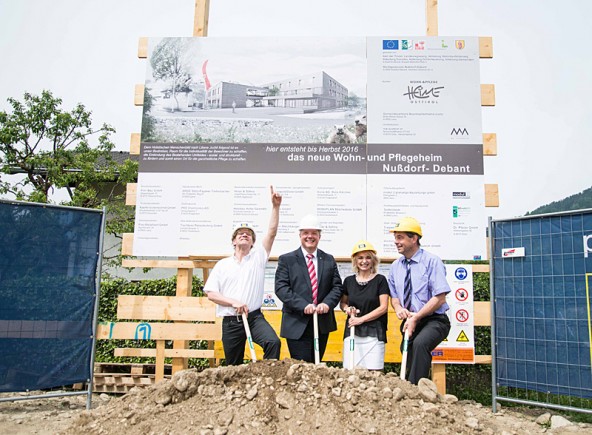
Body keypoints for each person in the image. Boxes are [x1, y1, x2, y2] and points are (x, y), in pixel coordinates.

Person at [204, 185, 282, 365]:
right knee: (233, 364)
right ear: (233, 241)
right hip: (231, 321)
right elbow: (211, 293)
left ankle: (265, 381)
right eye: (240, 233)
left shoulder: (258, 258)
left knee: (273, 342)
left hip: (254, 317)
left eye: (248, 234)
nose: (244, 235)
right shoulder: (222, 265)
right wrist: (233, 302)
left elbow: (271, 233)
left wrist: (275, 207)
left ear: (253, 242)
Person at [387, 216, 451, 384]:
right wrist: (399, 308)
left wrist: (416, 317)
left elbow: (440, 297)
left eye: (400, 237)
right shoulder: (395, 267)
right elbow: (394, 297)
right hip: (411, 319)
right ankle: (413, 386)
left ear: (414, 238)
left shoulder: (432, 262)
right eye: (395, 237)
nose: (396, 241)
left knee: (420, 344)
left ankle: (417, 391)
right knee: (406, 349)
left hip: (435, 320)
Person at [274, 214, 343, 362]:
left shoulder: (328, 259)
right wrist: (303, 305)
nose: (310, 236)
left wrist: (327, 304)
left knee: (317, 366)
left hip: (322, 322)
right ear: (300, 235)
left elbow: (337, 287)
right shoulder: (287, 260)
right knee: (302, 368)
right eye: (306, 233)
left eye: (314, 233)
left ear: (319, 236)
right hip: (296, 322)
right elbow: (281, 288)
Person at [340, 240, 389, 370]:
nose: (364, 261)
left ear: (373, 260)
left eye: (368, 257)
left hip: (374, 333)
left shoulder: (380, 280)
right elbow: (343, 303)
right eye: (360, 258)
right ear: (355, 261)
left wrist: (360, 319)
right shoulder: (349, 281)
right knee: (349, 373)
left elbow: (383, 307)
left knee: (374, 374)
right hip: (352, 332)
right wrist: (347, 309)